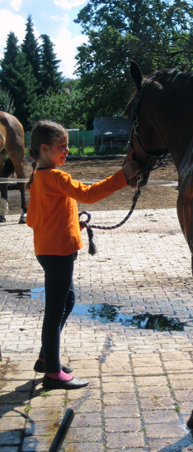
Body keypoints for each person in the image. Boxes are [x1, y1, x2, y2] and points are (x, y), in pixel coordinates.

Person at [26, 120, 142, 390]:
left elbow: (34, 219)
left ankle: (46, 359)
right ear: (44, 148)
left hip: (47, 250)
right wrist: (122, 176)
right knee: (55, 312)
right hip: (59, 253)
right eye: (61, 146)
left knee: (67, 301)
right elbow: (88, 195)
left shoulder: (37, 177)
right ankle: (53, 374)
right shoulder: (56, 177)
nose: (67, 150)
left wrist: (70, 222)